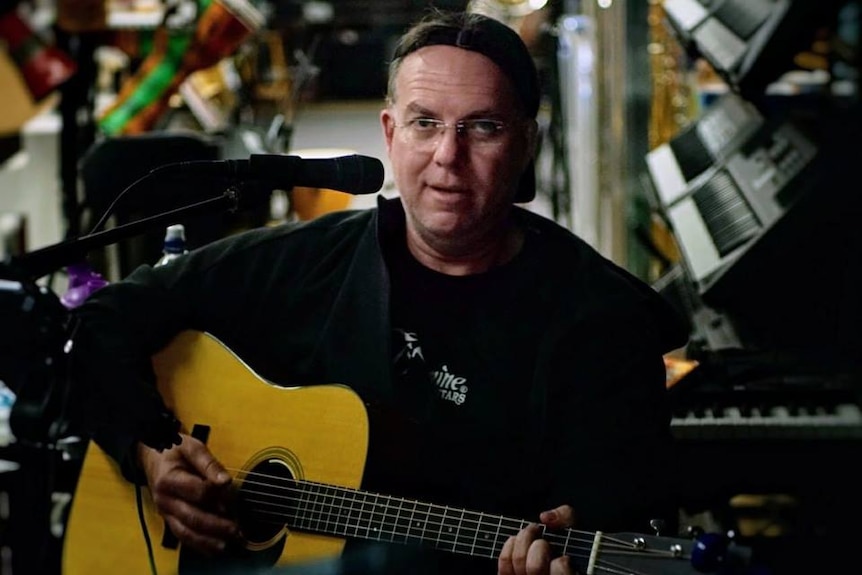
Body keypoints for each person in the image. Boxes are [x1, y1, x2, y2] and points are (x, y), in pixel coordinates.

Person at [71, 8, 688, 575]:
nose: (449, 155)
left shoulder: (604, 324)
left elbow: (626, 519)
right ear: (390, 133)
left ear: (526, 143)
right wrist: (150, 452)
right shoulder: (311, 260)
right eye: (426, 124)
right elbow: (103, 320)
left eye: (482, 127)